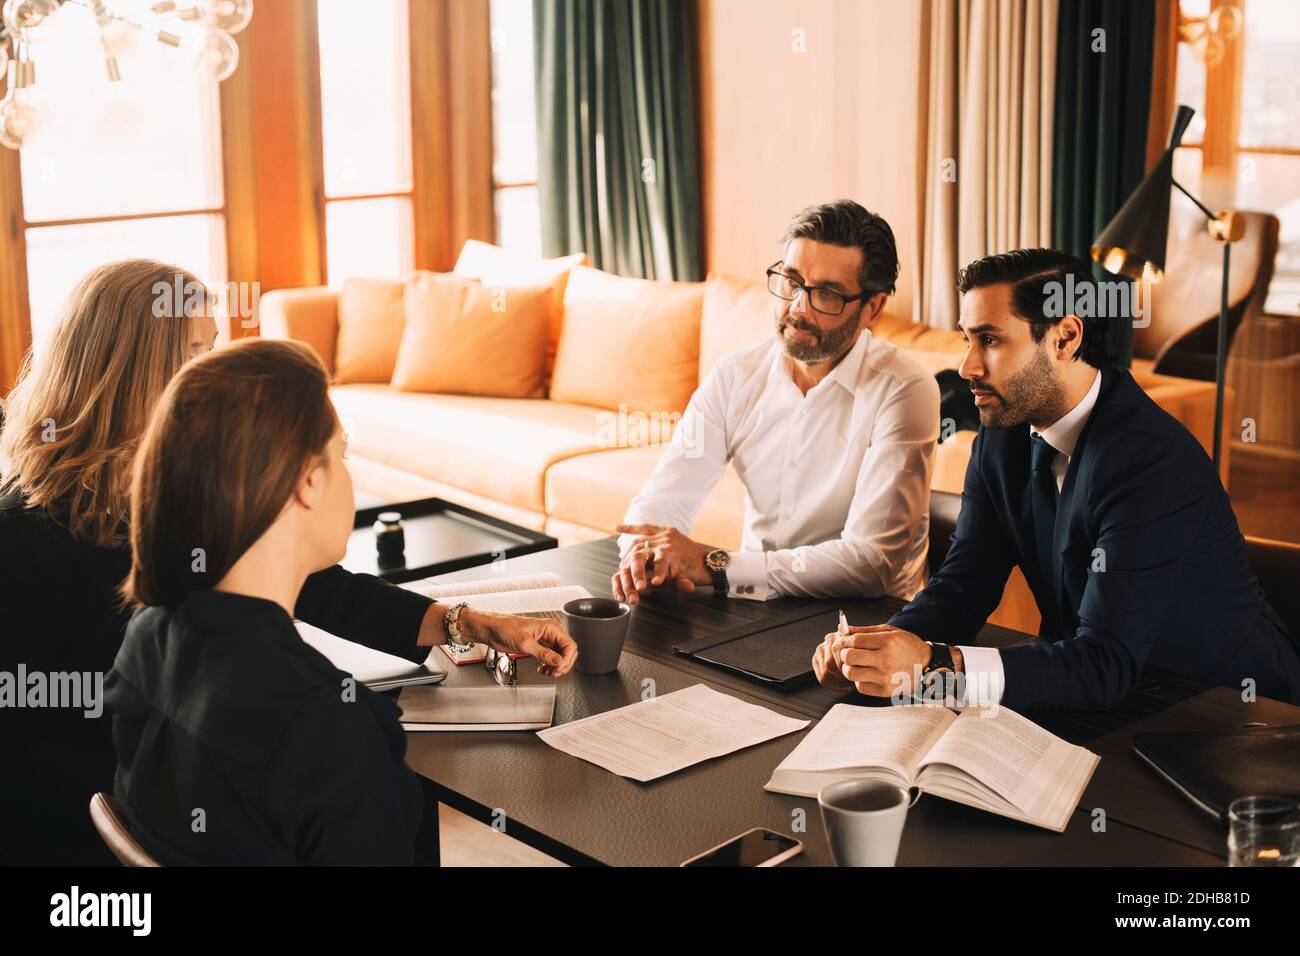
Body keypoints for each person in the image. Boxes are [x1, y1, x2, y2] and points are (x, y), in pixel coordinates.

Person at [0, 259, 574, 865]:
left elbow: (319, 587)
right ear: (130, 371)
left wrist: (465, 622)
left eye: (213, 349)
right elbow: (34, 750)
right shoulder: (21, 539)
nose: (214, 375)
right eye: (194, 352)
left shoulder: (185, 495)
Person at [813, 248, 1300, 711]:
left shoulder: (1150, 462)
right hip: (1106, 698)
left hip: (1228, 713)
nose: (967, 367)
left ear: (1066, 337)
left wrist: (934, 665)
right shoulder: (1002, 435)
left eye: (991, 339)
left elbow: (1104, 662)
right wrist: (875, 651)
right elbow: (962, 589)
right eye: (967, 339)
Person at [612, 200, 939, 605]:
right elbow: (667, 493)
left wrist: (716, 565)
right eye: (792, 282)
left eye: (828, 294)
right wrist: (645, 554)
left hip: (865, 626)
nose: (799, 308)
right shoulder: (734, 376)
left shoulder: (905, 390)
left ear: (872, 307)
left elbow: (868, 564)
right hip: (750, 603)